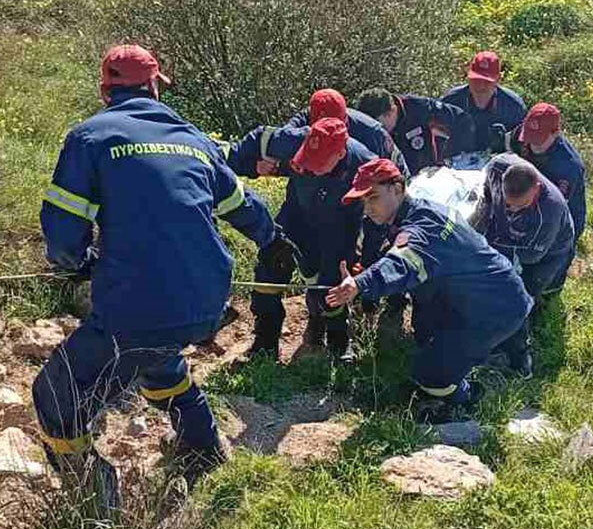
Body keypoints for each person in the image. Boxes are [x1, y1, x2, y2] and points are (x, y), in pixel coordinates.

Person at [33, 44, 299, 502]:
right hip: (207, 298)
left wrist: (75, 266)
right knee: (156, 356)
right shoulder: (193, 139)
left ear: (105, 90)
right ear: (156, 87)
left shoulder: (90, 139)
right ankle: (202, 446)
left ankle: (94, 492)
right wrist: (272, 240)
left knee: (55, 395)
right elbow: (243, 207)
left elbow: (62, 234)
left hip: (140, 302)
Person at [326, 159, 534, 422]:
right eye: (364, 201)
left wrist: (360, 284)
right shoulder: (424, 209)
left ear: (398, 189)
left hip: (492, 310)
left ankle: (467, 398)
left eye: (374, 197)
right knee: (425, 329)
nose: (368, 208)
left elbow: (403, 259)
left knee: (429, 374)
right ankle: (502, 351)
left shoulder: (420, 230)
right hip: (493, 290)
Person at [227, 117, 377, 364]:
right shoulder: (293, 139)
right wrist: (251, 165)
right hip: (295, 217)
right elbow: (254, 141)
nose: (311, 168)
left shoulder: (365, 164)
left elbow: (382, 212)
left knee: (332, 280)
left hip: (339, 228)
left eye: (320, 164)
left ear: (340, 154)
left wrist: (365, 257)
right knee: (270, 266)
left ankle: (339, 342)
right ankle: (265, 344)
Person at [469, 154, 575, 372]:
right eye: (508, 205)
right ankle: (494, 336)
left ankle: (518, 357)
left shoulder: (549, 212)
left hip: (545, 253)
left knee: (519, 296)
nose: (512, 210)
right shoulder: (498, 168)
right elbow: (488, 194)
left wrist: (489, 250)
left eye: (520, 206)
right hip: (508, 238)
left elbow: (529, 257)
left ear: (536, 189)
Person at [512, 103, 586, 294]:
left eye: (539, 140)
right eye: (529, 138)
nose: (532, 144)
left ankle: (546, 299)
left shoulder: (568, 167)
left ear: (555, 133)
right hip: (526, 202)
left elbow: (553, 208)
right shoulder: (524, 135)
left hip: (560, 221)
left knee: (546, 278)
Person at [277, 89, 410, 177]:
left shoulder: (372, 133)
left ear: (345, 117)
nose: (329, 129)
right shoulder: (304, 120)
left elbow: (397, 173)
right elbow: (281, 142)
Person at [354, 88, 474, 173]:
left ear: (392, 111)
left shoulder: (419, 108)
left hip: (428, 175)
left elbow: (462, 119)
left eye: (379, 125)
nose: (378, 131)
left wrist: (451, 156)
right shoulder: (364, 128)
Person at [440, 51, 527, 154]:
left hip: (498, 165)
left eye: (487, 81)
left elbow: (523, 148)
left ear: (498, 79)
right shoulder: (451, 101)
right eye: (476, 79)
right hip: (454, 165)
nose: (481, 86)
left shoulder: (513, 106)